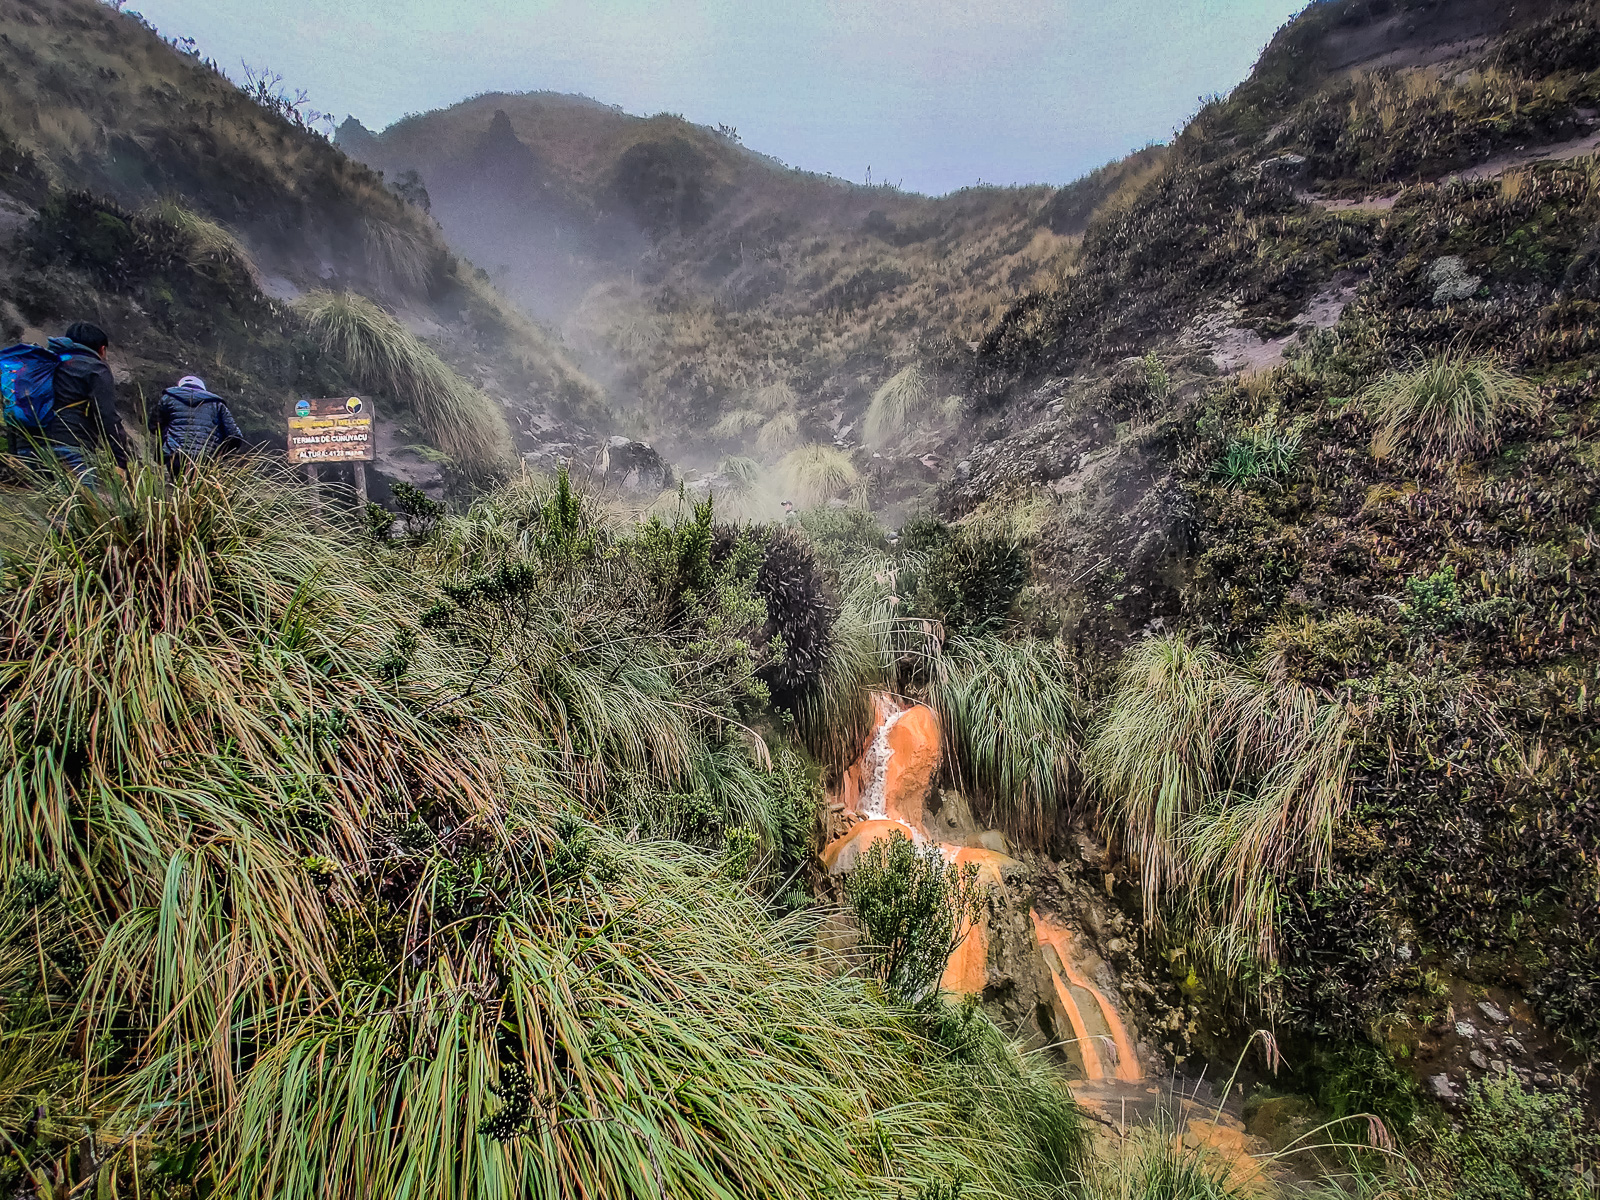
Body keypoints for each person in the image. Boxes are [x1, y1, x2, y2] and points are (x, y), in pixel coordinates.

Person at [6, 322, 130, 482]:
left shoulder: (37, 366)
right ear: (102, 349)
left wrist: (15, 452)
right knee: (81, 506)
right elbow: (106, 415)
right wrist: (120, 460)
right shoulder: (94, 367)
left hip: (28, 450)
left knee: (45, 506)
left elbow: (14, 407)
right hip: (70, 448)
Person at [149, 374, 244, 464]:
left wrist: (167, 435)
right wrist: (222, 455)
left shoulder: (168, 398)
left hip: (175, 454)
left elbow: (154, 426)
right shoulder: (217, 404)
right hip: (207, 457)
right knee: (201, 480)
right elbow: (234, 435)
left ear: (180, 387)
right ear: (203, 389)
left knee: (178, 480)